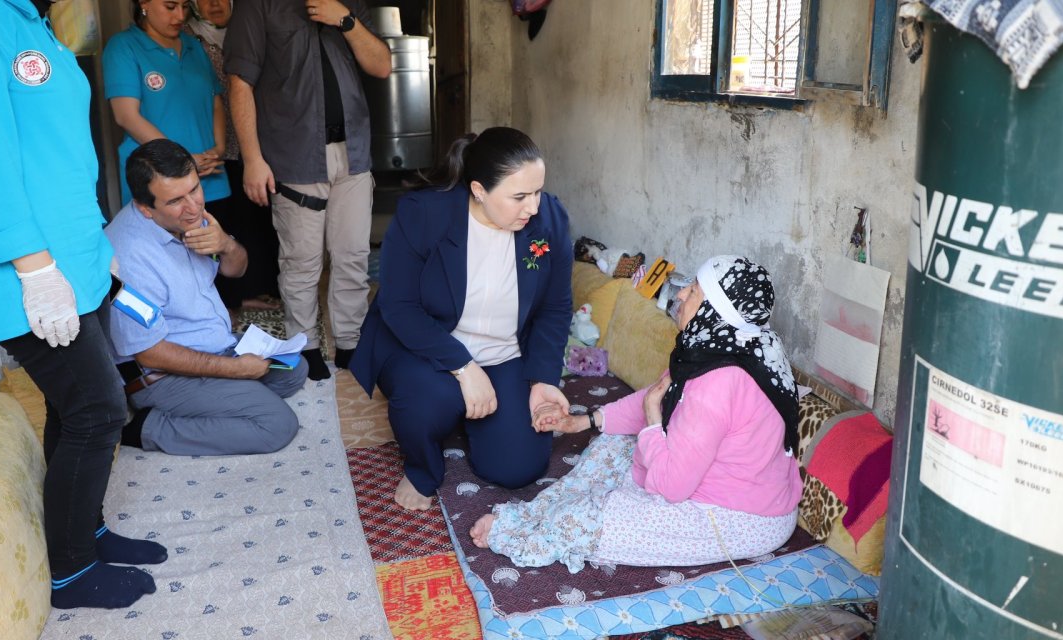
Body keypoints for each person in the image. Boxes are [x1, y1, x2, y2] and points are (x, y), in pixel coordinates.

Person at [0, 0, 161, 609]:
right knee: (99, 412)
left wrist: (96, 242)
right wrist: (35, 266)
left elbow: (56, 150)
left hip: (74, 256)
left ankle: (85, 532)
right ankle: (69, 572)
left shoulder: (24, 16)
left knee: (76, 410)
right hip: (28, 269)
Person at [469, 256, 804, 572]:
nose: (682, 294)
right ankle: (532, 513)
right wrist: (585, 421)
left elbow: (672, 484)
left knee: (582, 521)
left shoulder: (718, 381)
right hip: (721, 478)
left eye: (694, 292)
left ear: (715, 311)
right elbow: (659, 394)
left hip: (741, 517)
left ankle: (521, 531)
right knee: (610, 446)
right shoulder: (731, 344)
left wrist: (653, 421)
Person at [350, 127, 574, 511]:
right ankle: (423, 465)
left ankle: (473, 414)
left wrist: (542, 380)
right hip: (425, 349)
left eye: (537, 191)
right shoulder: (424, 213)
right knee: (424, 402)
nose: (533, 207)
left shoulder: (547, 219)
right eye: (519, 196)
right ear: (479, 190)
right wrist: (463, 368)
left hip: (505, 354)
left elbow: (555, 307)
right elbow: (399, 306)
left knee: (518, 468)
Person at [105, 139, 308, 456]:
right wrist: (237, 371)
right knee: (276, 425)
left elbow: (237, 270)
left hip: (213, 342)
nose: (194, 207)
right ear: (146, 208)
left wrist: (226, 244)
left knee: (294, 368)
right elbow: (150, 355)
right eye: (175, 200)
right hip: (163, 375)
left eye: (195, 189)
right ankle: (148, 427)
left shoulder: (186, 216)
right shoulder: (129, 259)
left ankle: (227, 397)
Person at [224, 0, 392, 380]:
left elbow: (381, 64)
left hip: (353, 152)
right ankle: (305, 348)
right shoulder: (258, 8)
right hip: (294, 154)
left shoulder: (349, 5)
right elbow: (239, 84)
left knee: (352, 255)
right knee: (302, 262)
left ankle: (350, 342)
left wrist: (344, 20)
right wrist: (252, 158)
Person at [183, 0, 282, 315]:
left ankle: (265, 286)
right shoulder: (187, 37)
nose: (214, 4)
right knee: (230, 218)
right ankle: (237, 294)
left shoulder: (254, 28)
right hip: (215, 146)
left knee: (263, 217)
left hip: (257, 141)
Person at [103, 0, 231, 212]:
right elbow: (126, 116)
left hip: (209, 176)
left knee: (214, 241)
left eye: (186, 6)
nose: (180, 16)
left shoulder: (194, 46)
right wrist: (182, 160)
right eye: (170, 7)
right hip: (158, 184)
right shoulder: (124, 46)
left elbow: (215, 101)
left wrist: (219, 148)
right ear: (144, 4)